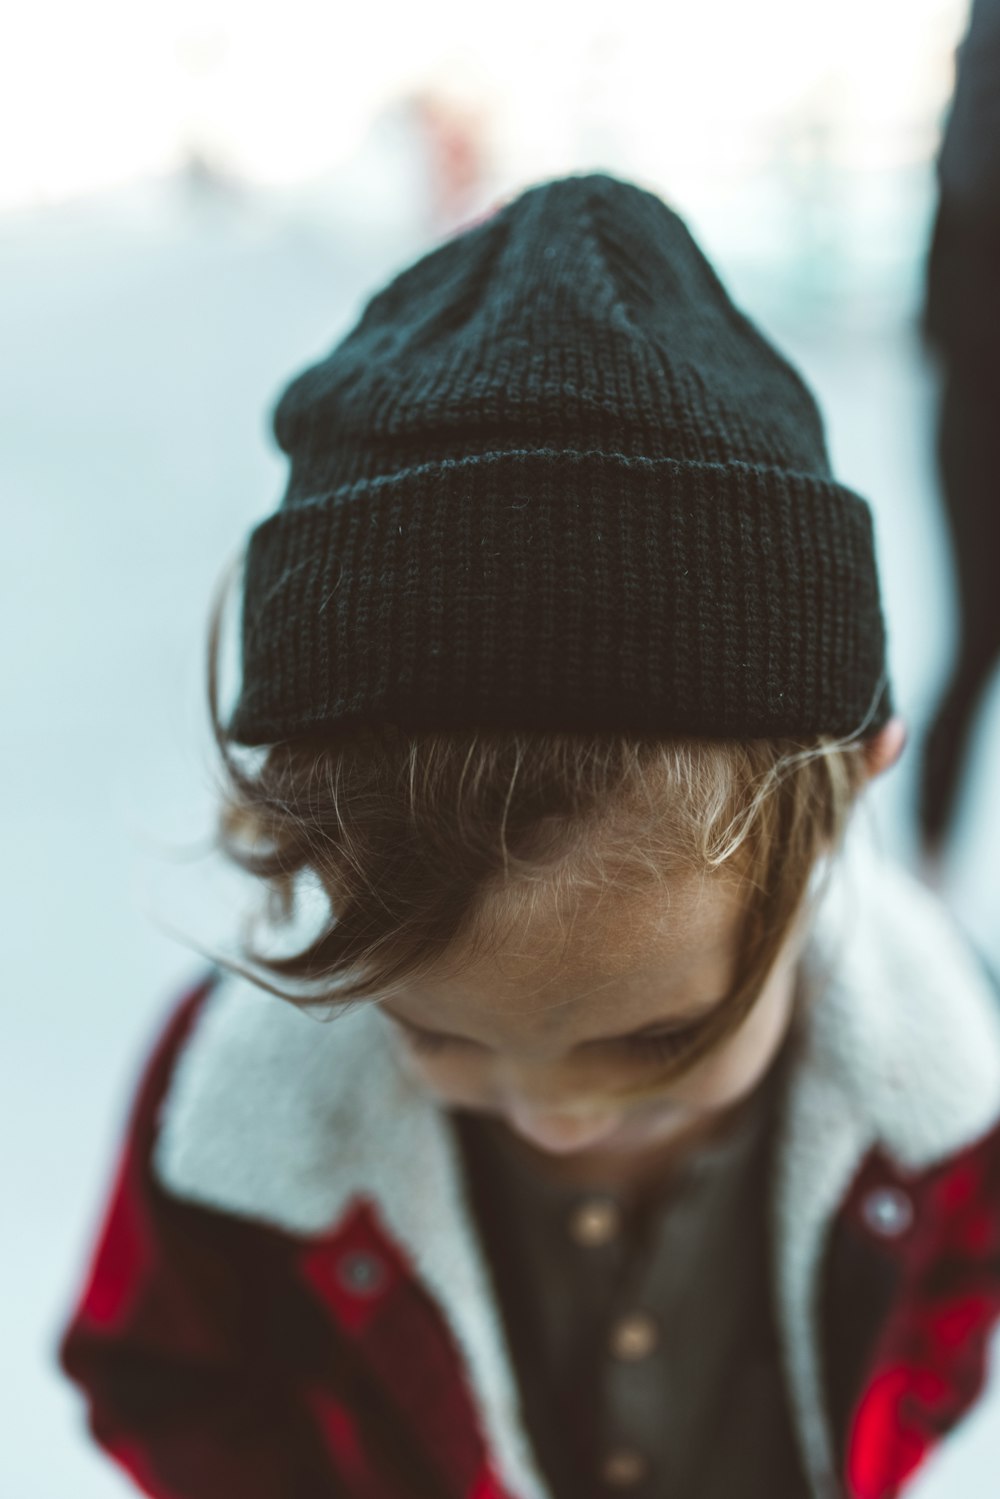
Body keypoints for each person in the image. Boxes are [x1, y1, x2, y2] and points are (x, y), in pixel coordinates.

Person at [56, 172, 1000, 1499]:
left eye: (654, 1038)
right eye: (438, 1030)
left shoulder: (949, 1085)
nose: (554, 1115)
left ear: (849, 789)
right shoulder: (229, 1134)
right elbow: (153, 1370)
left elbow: (952, 1299)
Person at [918, 0, 1000, 857]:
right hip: (981, 381)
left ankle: (928, 876)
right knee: (978, 635)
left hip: (970, 370)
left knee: (976, 638)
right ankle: (930, 875)